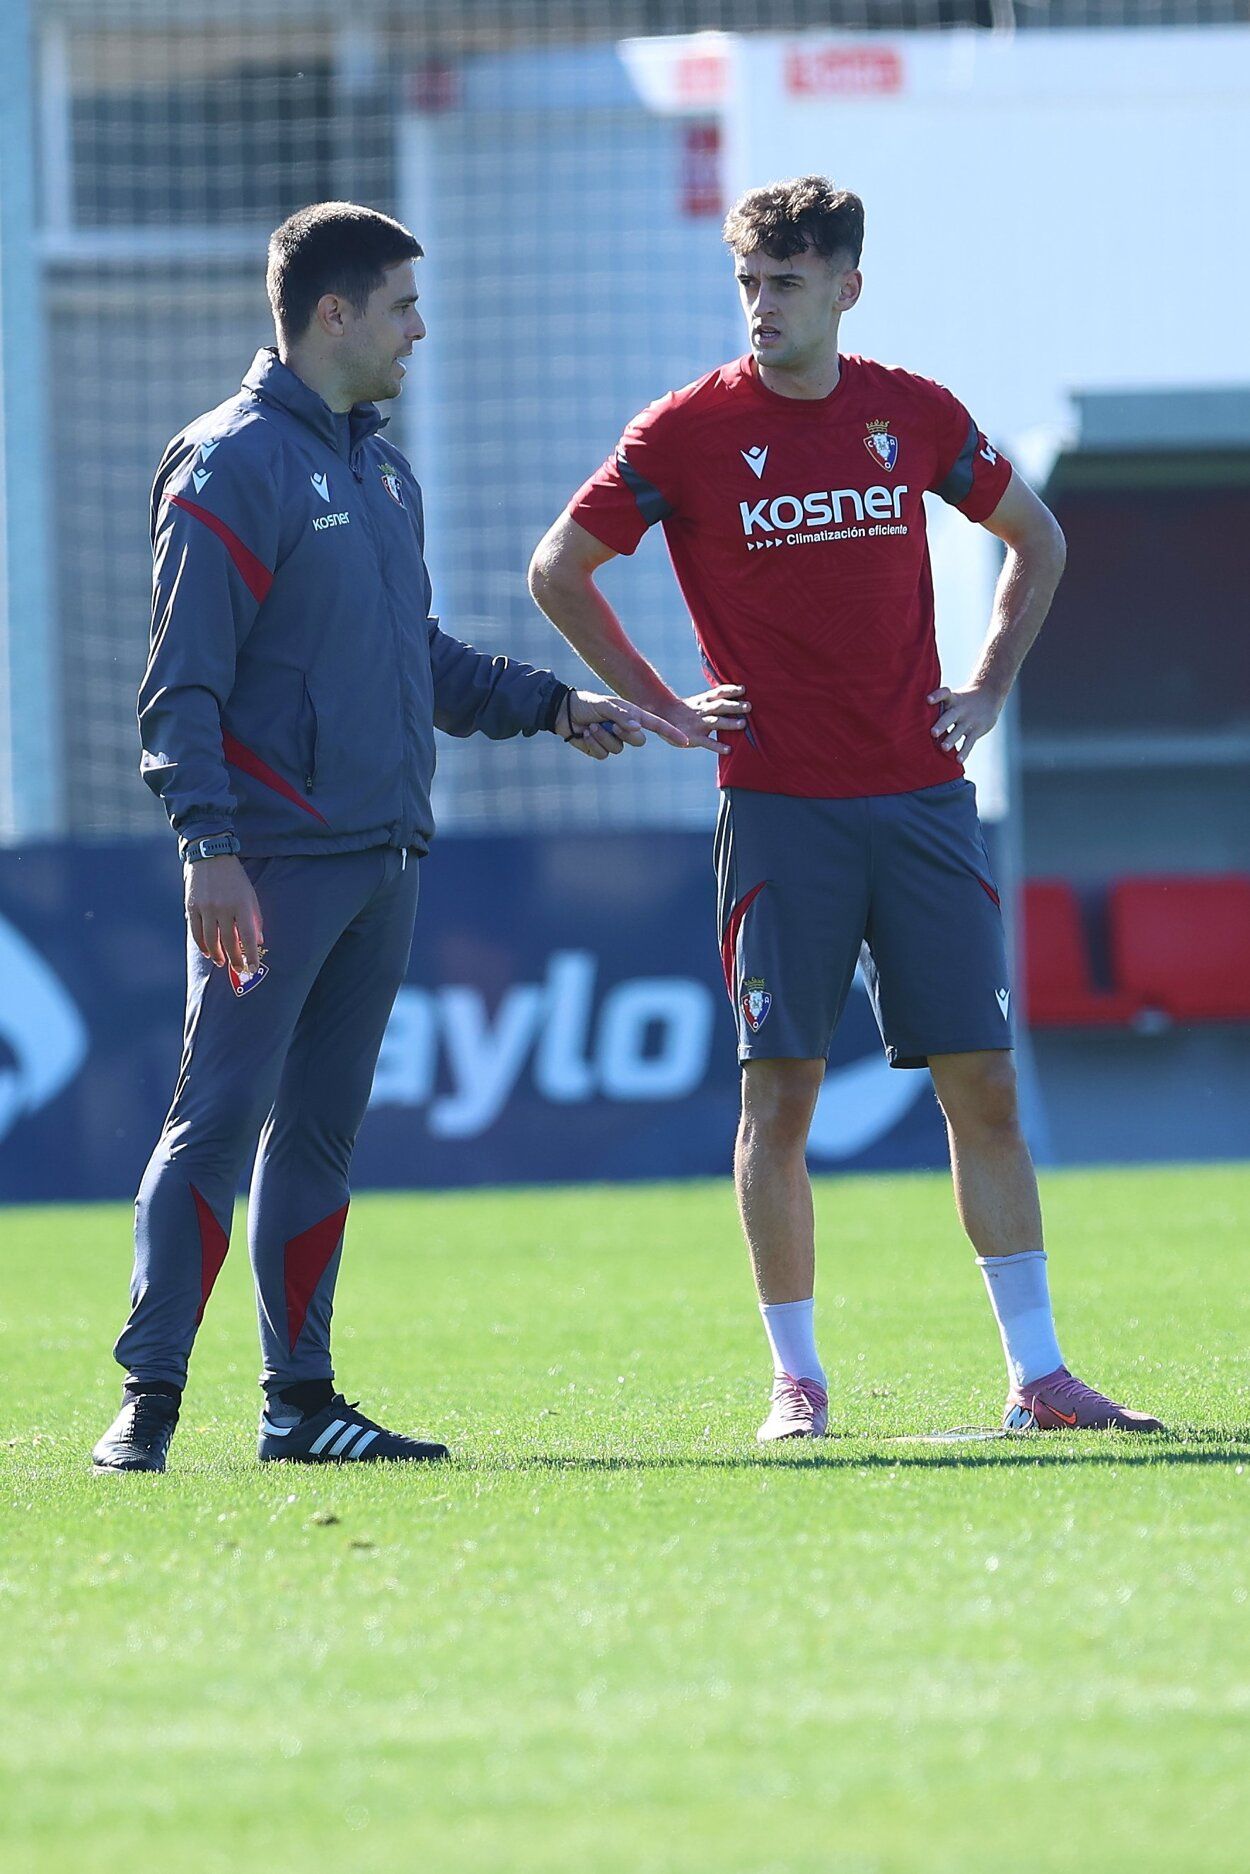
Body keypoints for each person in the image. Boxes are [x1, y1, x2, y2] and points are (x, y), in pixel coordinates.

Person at [528, 175, 1162, 1441]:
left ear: (844, 290)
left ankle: (1039, 1377)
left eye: (786, 285)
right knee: (779, 1100)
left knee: (981, 1090)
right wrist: (659, 703)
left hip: (921, 799)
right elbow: (559, 569)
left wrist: (983, 684)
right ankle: (795, 1382)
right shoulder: (684, 431)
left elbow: (1036, 538)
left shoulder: (911, 414)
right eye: (747, 285)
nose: (761, 308)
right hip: (778, 808)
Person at [91, 201, 688, 1474]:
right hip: (272, 866)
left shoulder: (381, 468)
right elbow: (178, 686)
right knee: (212, 1121)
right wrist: (209, 845)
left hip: (383, 859)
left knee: (317, 1138)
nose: (420, 329)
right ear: (334, 314)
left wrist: (551, 705)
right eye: (404, 306)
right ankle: (145, 1406)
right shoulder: (227, 461)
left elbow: (412, 658)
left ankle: (299, 1405)